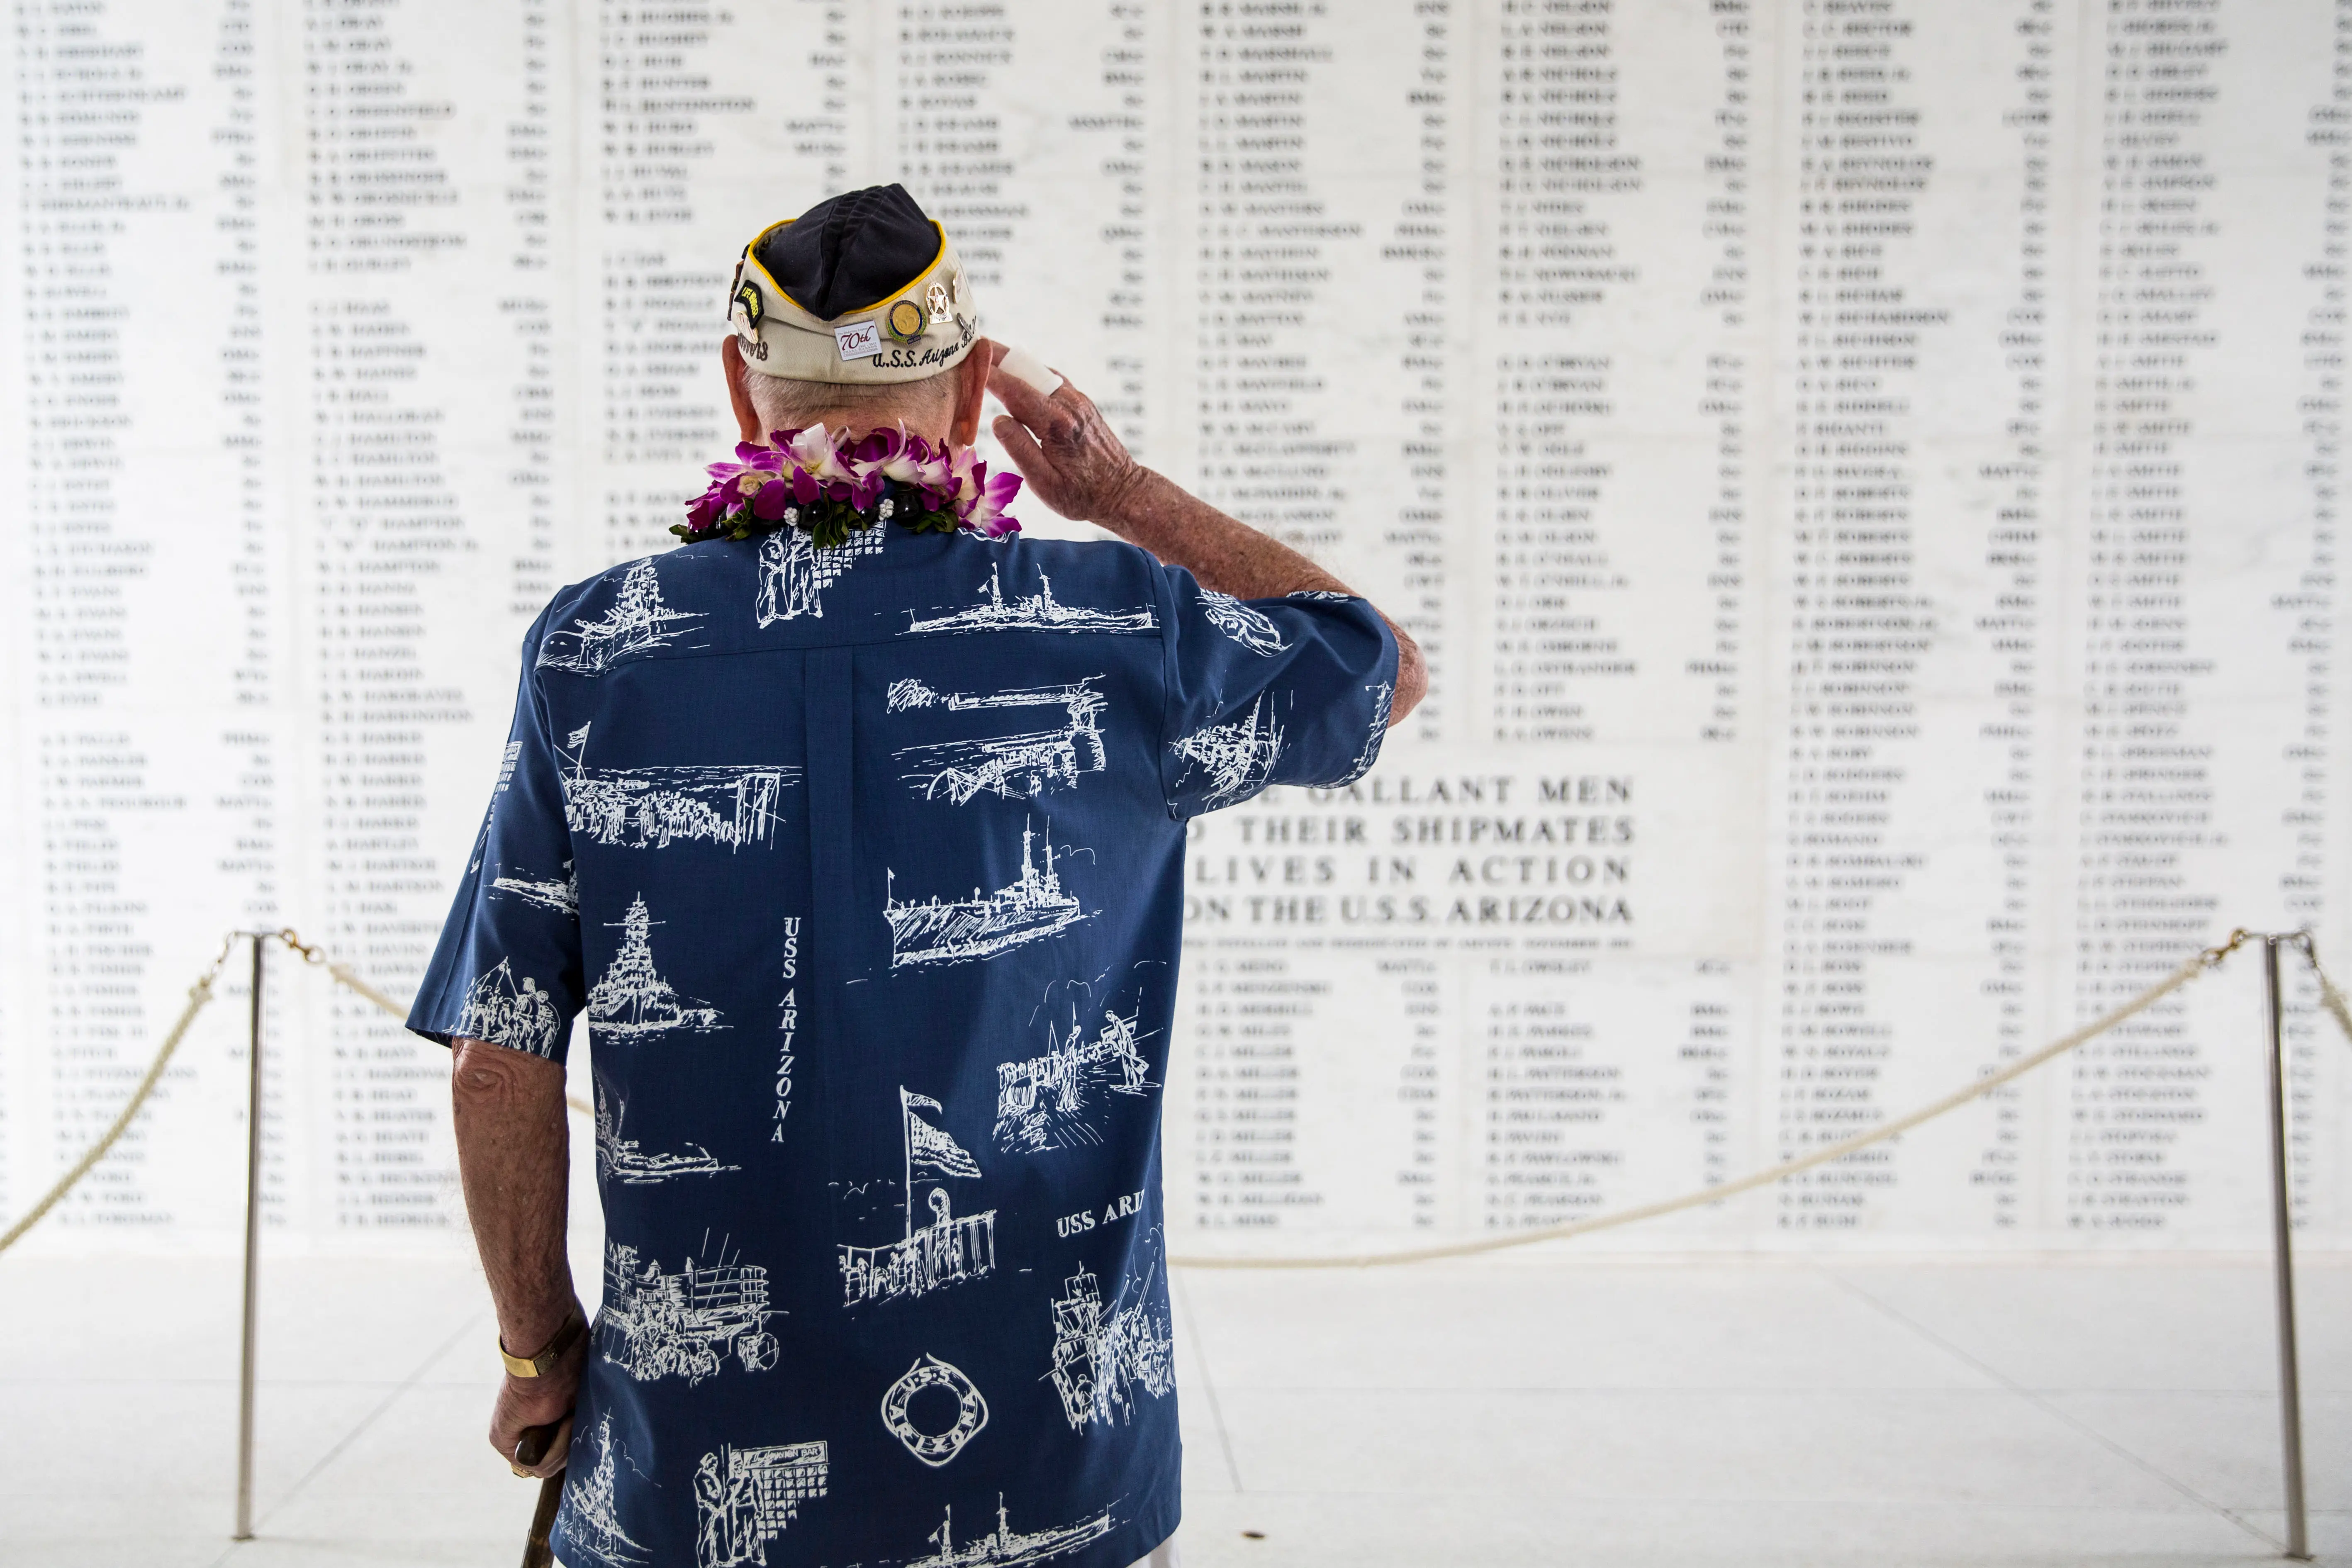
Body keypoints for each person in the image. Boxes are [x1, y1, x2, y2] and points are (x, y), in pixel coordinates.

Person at [408, 184, 1425, 1568]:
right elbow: (1373, 662)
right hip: (1053, 1470)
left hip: (688, 1481)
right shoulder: (1114, 627)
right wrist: (1118, 495)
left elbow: (495, 1058)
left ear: (738, 389)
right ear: (964, 396)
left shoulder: (599, 649)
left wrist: (539, 1349)